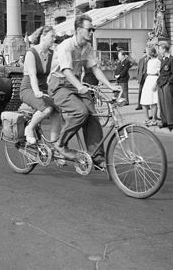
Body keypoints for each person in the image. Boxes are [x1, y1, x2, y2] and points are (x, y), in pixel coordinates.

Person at [48, 15, 121, 168]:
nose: (92, 32)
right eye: (89, 29)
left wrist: (110, 86)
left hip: (75, 83)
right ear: (78, 30)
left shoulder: (87, 47)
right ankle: (60, 144)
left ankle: (97, 157)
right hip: (59, 84)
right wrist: (80, 86)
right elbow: (66, 70)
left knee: (93, 115)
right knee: (81, 112)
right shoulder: (66, 46)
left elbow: (95, 68)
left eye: (93, 29)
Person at [20, 26, 61, 144]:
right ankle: (29, 128)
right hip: (29, 88)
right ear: (43, 37)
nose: (54, 39)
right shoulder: (31, 53)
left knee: (57, 112)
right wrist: (37, 91)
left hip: (44, 88)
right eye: (52, 36)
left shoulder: (52, 54)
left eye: (54, 37)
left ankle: (56, 146)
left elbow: (57, 72)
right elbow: (32, 75)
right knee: (47, 109)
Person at [157, 41, 173, 131]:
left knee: (169, 103)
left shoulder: (172, 59)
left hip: (167, 83)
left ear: (164, 49)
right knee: (162, 103)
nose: (159, 51)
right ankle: (164, 121)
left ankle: (171, 122)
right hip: (161, 83)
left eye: (160, 49)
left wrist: (169, 82)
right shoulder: (163, 59)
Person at [140, 46, 161, 126]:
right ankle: (147, 119)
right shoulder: (149, 61)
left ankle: (154, 119)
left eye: (147, 52)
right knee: (144, 101)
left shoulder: (157, 61)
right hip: (148, 80)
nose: (146, 53)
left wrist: (156, 84)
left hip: (154, 79)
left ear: (151, 52)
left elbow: (159, 74)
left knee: (153, 101)